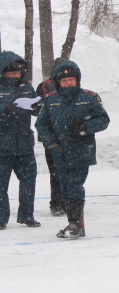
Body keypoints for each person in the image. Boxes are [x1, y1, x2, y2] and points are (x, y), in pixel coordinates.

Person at [35, 61, 110, 238]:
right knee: (65, 187)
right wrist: (52, 144)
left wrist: (85, 127)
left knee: (75, 185)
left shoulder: (89, 98)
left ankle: (76, 224)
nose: (68, 83)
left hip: (81, 150)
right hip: (59, 152)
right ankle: (74, 223)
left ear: (77, 80)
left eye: (71, 80)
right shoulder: (51, 100)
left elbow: (103, 120)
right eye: (64, 80)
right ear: (58, 82)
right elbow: (41, 125)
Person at [0, 52, 40, 230]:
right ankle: (1, 218)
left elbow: (36, 108)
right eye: (12, 73)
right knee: (1, 183)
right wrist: (3, 109)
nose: (16, 76)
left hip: (24, 143)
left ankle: (27, 215)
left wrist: (38, 107)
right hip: (2, 144)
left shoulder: (27, 88)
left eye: (18, 73)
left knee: (29, 180)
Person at [35, 57, 66, 216]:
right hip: (52, 136)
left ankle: (65, 202)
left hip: (66, 135)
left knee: (66, 172)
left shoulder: (70, 86)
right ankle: (57, 203)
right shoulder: (45, 86)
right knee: (56, 171)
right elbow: (36, 109)